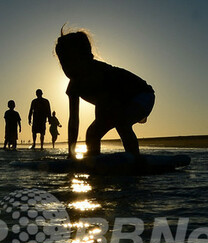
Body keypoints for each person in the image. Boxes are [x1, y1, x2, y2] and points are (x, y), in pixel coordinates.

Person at [55, 28, 155, 159]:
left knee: (121, 123)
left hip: (142, 95)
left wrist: (99, 126)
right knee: (92, 133)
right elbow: (73, 120)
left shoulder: (99, 73)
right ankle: (94, 159)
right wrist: (71, 153)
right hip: (119, 102)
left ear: (87, 57)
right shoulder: (73, 86)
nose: (68, 68)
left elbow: (106, 106)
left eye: (72, 61)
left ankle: (135, 158)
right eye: (63, 63)